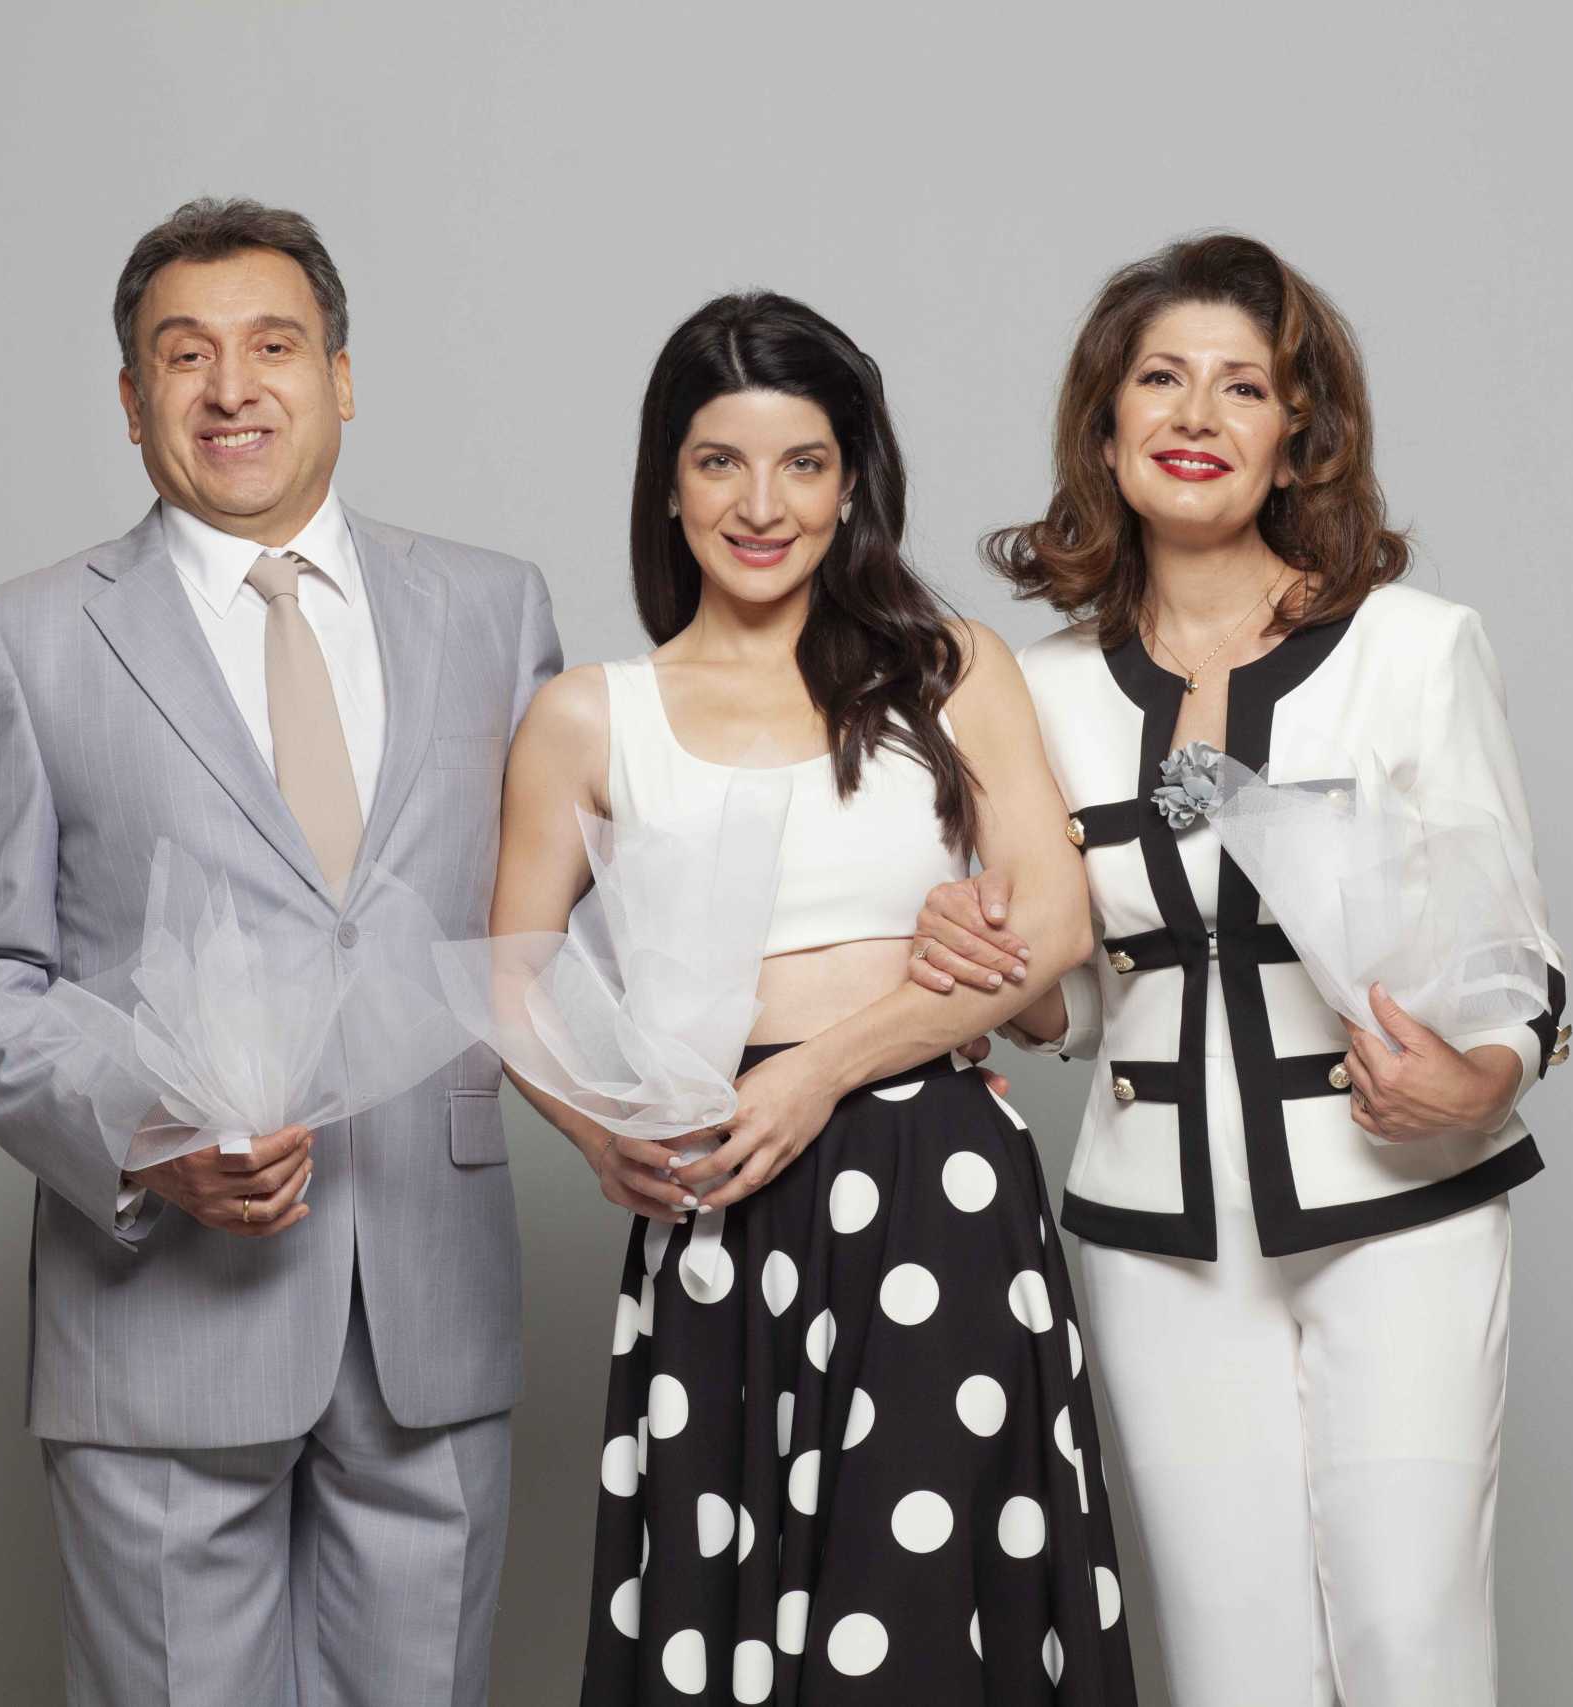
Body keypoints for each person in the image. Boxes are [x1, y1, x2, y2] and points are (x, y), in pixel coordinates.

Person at [0, 197, 557, 1706]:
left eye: (273, 345)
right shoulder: (25, 641)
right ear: (134, 403)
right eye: (183, 356)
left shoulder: (494, 608)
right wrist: (145, 1132)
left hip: (434, 1301)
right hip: (162, 1328)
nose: (231, 387)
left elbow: (561, 926)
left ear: (341, 375)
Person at [907, 234, 1570, 1705]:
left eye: (1244, 387)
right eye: (1161, 380)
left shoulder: (1413, 650)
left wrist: (1484, 1079)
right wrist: (981, 951)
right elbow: (1076, 999)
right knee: (1229, 1661)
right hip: (1156, 1234)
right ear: (1105, 429)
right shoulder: (1040, 692)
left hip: (1400, 1208)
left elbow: (1516, 952)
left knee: (1410, 1640)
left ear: (1297, 438)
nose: (1197, 416)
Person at [494, 292, 1138, 1705]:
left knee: (917, 1619)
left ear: (851, 485)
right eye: (720, 461)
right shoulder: (591, 715)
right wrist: (600, 1135)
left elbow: (1052, 926)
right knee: (726, 1610)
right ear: (669, 484)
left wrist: (822, 1069)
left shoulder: (948, 669)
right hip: (717, 1205)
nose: (761, 504)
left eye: (802, 463)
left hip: (934, 1191)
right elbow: (509, 977)